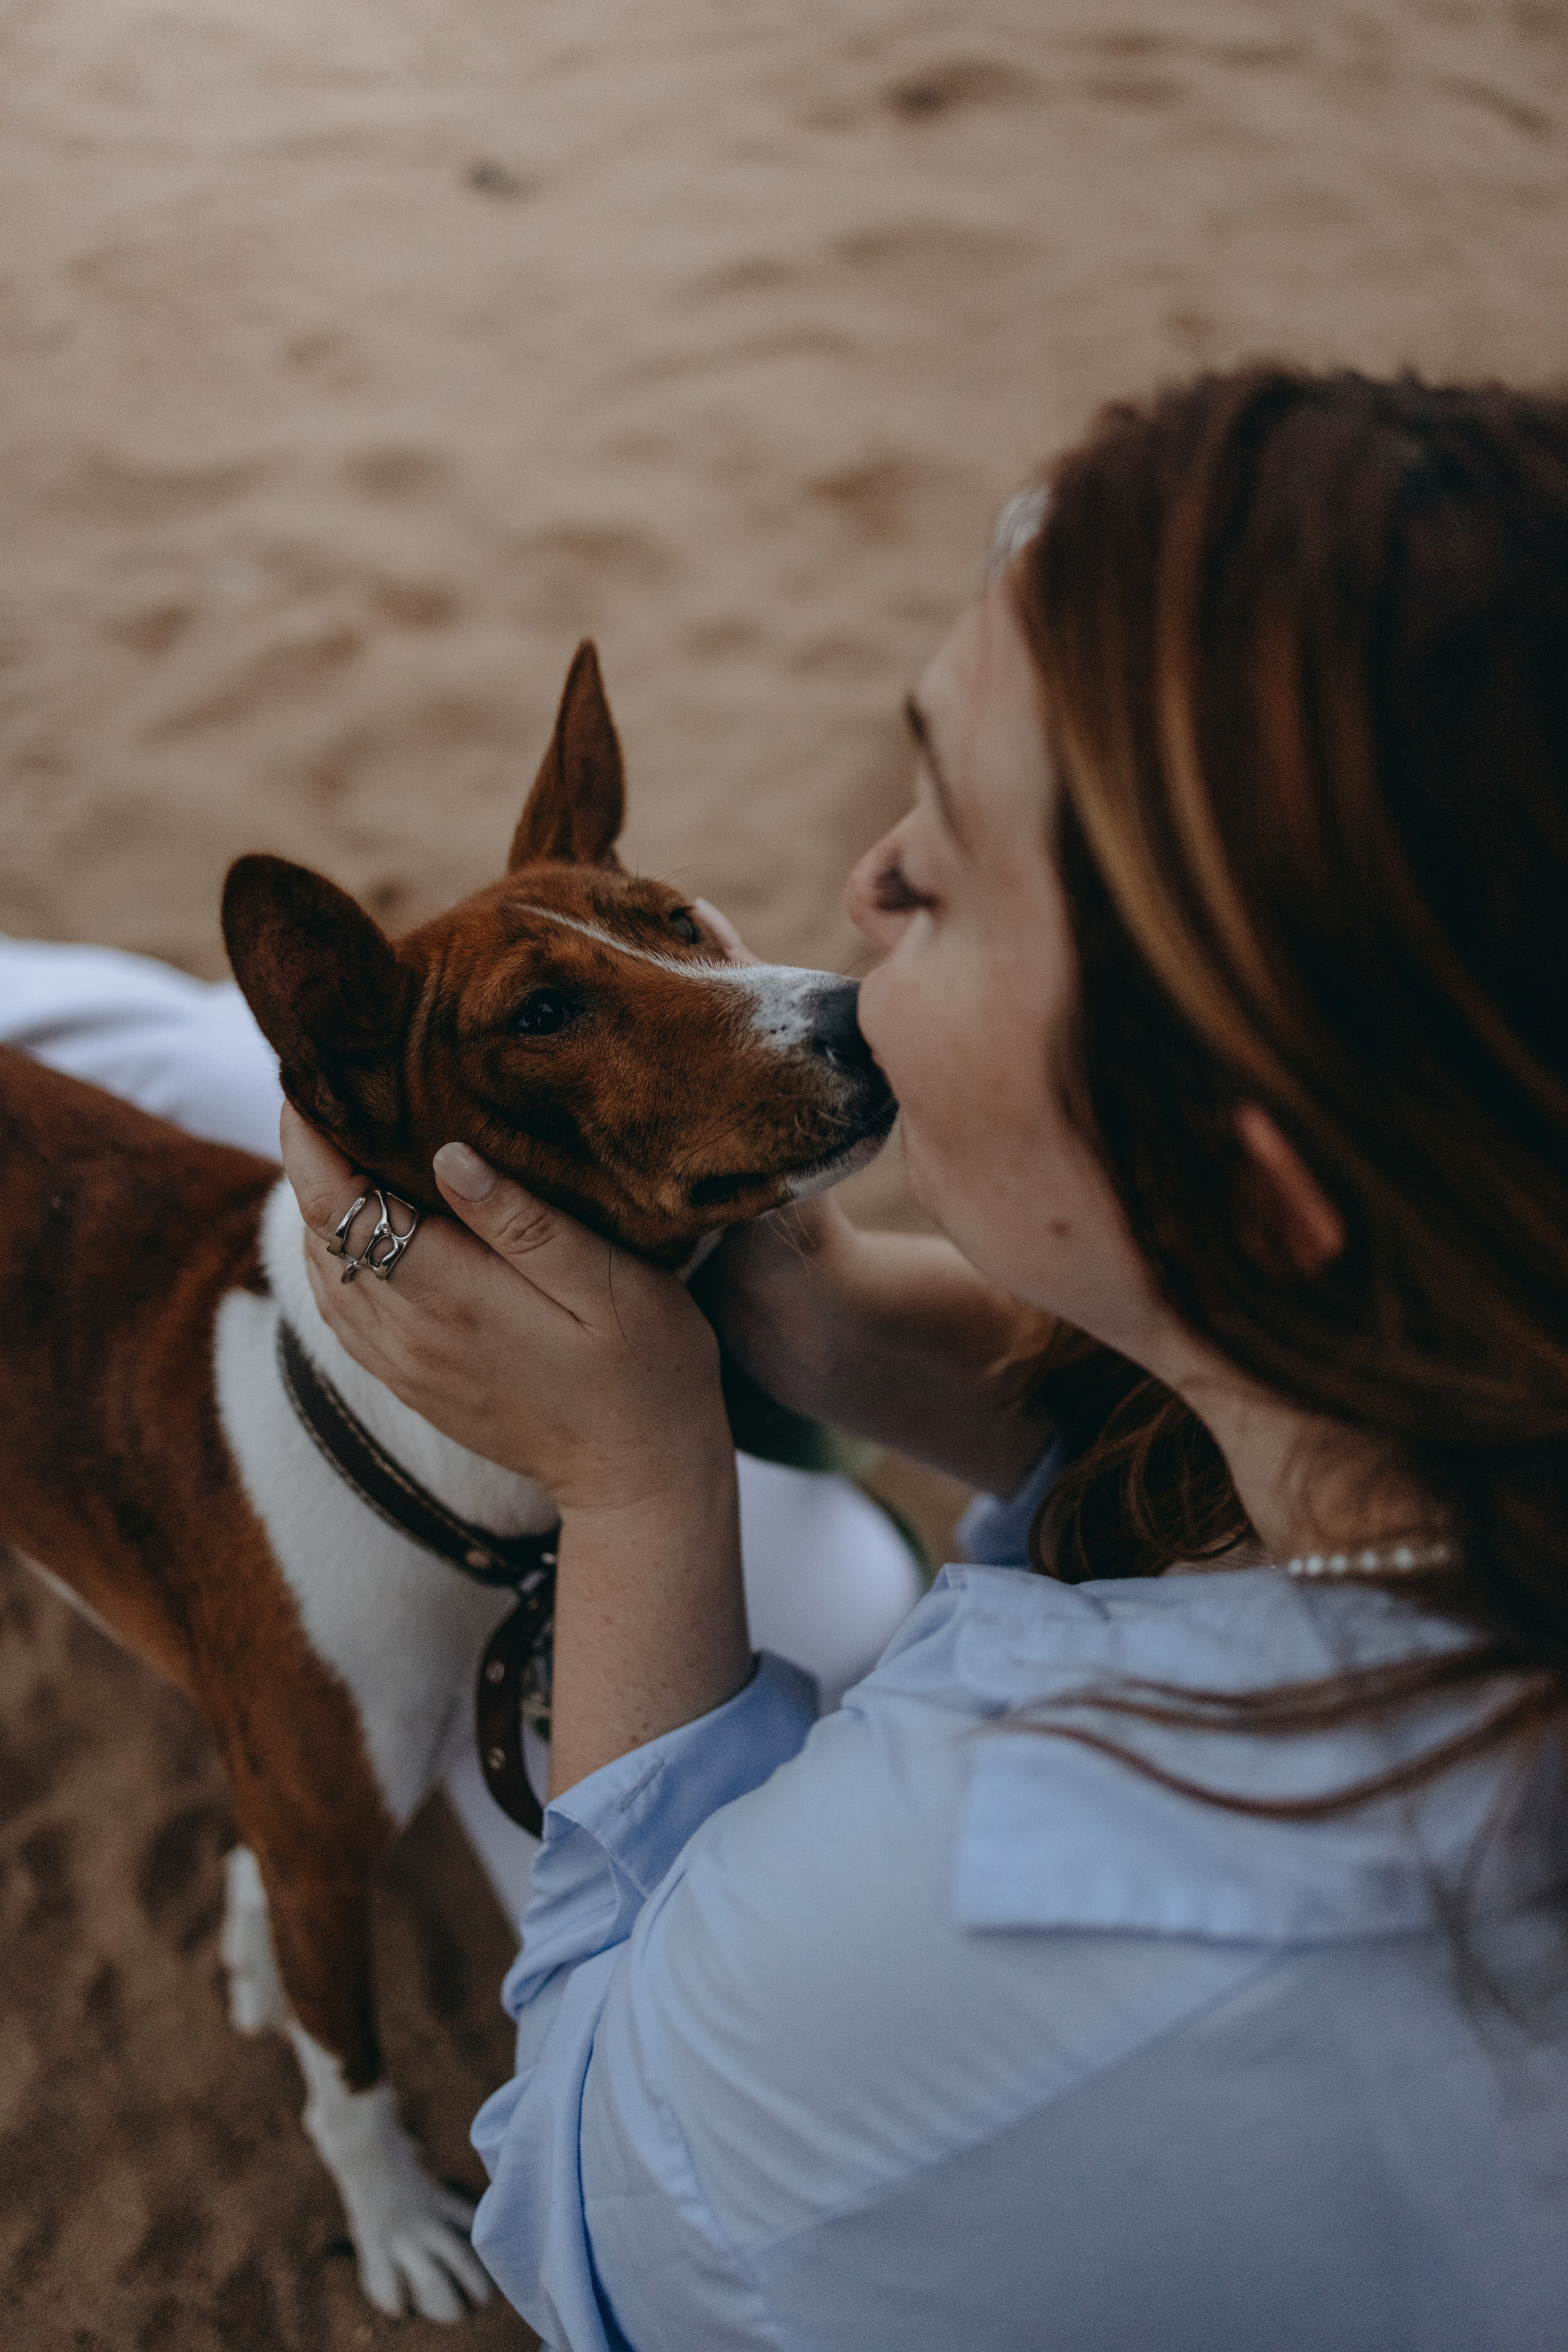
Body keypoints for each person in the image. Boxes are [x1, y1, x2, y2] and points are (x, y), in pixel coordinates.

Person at [34, 363, 1568, 2345]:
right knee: (157, 1056)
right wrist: (826, 1322)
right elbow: (1156, 1410)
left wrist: (639, 1481)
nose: (854, 892)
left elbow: (599, 2195)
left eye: (939, 866)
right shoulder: (1424, 1429)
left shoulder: (958, 1957)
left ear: (1252, 1194)